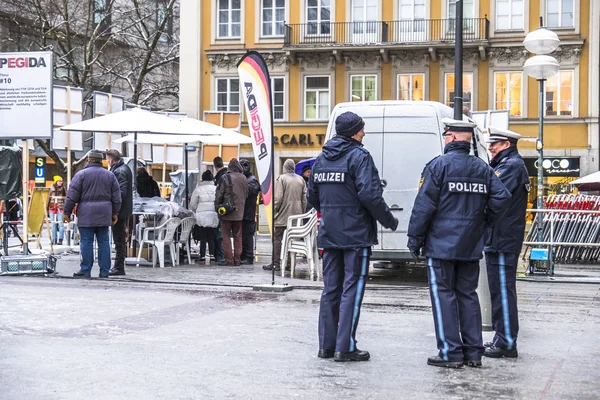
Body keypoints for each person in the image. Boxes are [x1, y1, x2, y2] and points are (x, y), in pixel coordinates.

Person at [407, 118, 511, 369]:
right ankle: (474, 352)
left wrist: (415, 238)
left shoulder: (437, 166)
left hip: (440, 244)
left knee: (443, 295)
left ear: (452, 137)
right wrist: (484, 222)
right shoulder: (482, 168)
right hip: (470, 244)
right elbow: (502, 198)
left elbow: (424, 207)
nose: (445, 140)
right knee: (467, 295)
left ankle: (450, 352)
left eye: (446, 136)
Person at [308, 112, 398, 362]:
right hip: (356, 235)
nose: (364, 133)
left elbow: (312, 197)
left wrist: (331, 214)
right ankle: (345, 347)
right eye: (362, 129)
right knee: (352, 290)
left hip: (329, 233)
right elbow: (370, 195)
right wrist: (388, 220)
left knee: (330, 290)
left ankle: (326, 345)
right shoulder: (360, 157)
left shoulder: (322, 160)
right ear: (354, 132)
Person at [483, 127, 529, 359]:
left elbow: (494, 196)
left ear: (507, 144)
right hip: (500, 237)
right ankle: (502, 338)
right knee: (500, 291)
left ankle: (507, 342)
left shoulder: (510, 167)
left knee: (502, 291)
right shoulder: (506, 164)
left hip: (502, 238)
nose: (490, 147)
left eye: (495, 144)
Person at [63, 150, 121, 278]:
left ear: (88, 159)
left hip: (86, 214)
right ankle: (104, 271)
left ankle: (85, 270)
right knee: (104, 242)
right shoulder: (110, 176)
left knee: (87, 242)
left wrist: (67, 212)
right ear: (101, 160)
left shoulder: (81, 175)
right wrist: (115, 212)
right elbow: (117, 197)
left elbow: (71, 196)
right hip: (104, 213)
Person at [262, 159, 307, 272]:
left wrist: (275, 211)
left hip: (283, 215)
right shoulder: (301, 179)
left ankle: (276, 263)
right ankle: (289, 263)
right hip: (297, 217)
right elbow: (304, 199)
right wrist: (301, 212)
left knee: (278, 239)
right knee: (291, 240)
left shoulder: (281, 179)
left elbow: (278, 198)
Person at [214, 158, 248, 266]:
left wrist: (218, 206)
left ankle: (229, 260)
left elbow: (219, 194)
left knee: (226, 237)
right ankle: (237, 260)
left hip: (227, 212)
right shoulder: (244, 178)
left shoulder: (225, 178)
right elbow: (246, 194)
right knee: (238, 237)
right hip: (239, 213)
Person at [106, 149, 133, 276]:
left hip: (120, 211)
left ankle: (119, 266)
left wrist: (115, 210)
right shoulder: (123, 168)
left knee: (119, 239)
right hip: (123, 210)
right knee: (119, 238)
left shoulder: (119, 171)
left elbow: (120, 193)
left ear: (110, 160)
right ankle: (118, 265)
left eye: (107, 160)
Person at [190, 170, 219, 263]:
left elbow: (193, 204)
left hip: (201, 216)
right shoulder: (216, 189)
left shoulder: (198, 189)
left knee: (203, 236)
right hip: (213, 215)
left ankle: (202, 255)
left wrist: (197, 210)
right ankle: (212, 255)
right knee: (211, 236)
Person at [239, 159, 260, 265]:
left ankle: (248, 256)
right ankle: (244, 255)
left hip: (248, 213)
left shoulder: (252, 180)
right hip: (244, 212)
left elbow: (249, 192)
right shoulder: (248, 179)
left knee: (247, 235)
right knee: (244, 235)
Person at [213, 156, 228, 263]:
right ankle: (226, 255)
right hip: (229, 208)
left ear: (215, 166)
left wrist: (217, 205)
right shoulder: (228, 174)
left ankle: (221, 256)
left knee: (220, 233)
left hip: (221, 208)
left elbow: (219, 194)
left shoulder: (220, 177)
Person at [49, 175, 67, 245]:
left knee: (60, 223)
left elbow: (65, 198)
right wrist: (47, 207)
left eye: (62, 181)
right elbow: (49, 198)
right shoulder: (51, 188)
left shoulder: (63, 189)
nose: (61, 182)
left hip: (61, 207)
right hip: (52, 207)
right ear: (56, 181)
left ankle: (60, 239)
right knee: (53, 224)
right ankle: (54, 239)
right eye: (59, 181)